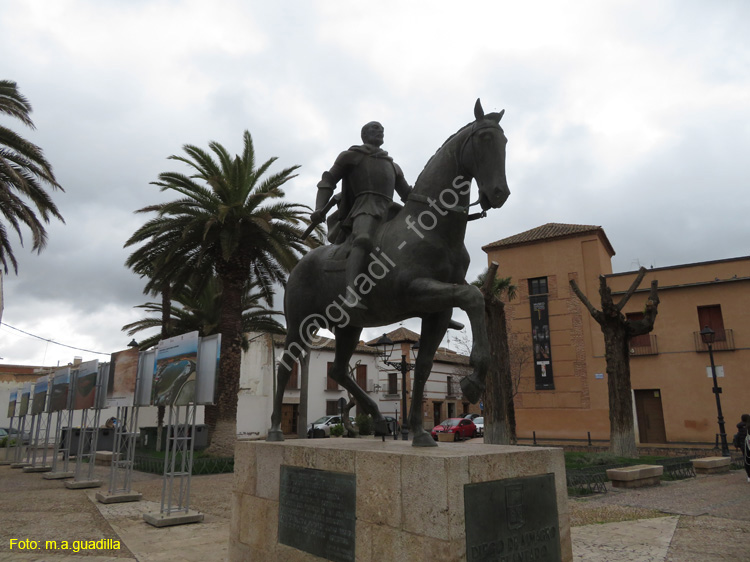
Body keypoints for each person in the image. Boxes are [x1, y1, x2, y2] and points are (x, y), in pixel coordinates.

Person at [311, 121, 411, 307]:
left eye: (382, 129)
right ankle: (351, 293)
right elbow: (327, 181)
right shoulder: (351, 156)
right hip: (365, 206)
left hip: (390, 210)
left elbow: (407, 196)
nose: (380, 131)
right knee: (363, 238)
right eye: (374, 128)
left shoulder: (393, 166)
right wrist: (319, 207)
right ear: (364, 134)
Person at [734, 413, 750, 482]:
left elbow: (737, 437)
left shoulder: (740, 428)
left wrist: (738, 445)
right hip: (747, 445)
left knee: (747, 461)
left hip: (744, 447)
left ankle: (749, 475)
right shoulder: (748, 427)